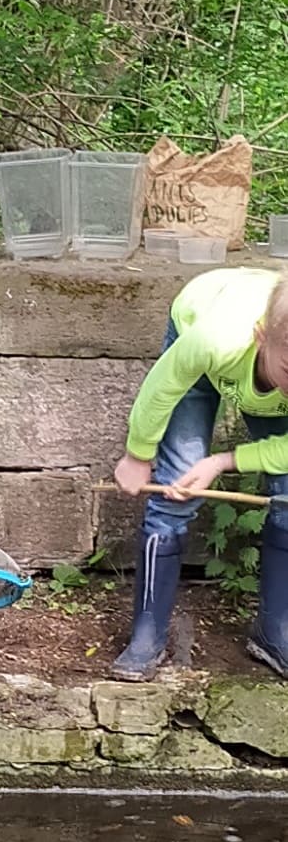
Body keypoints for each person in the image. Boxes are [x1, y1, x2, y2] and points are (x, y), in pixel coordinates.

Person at [112, 265, 288, 679]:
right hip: (205, 322)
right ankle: (147, 635)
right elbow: (164, 386)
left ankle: (273, 630)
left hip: (253, 368)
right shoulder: (214, 337)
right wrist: (138, 455)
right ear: (264, 336)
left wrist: (224, 461)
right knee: (178, 481)